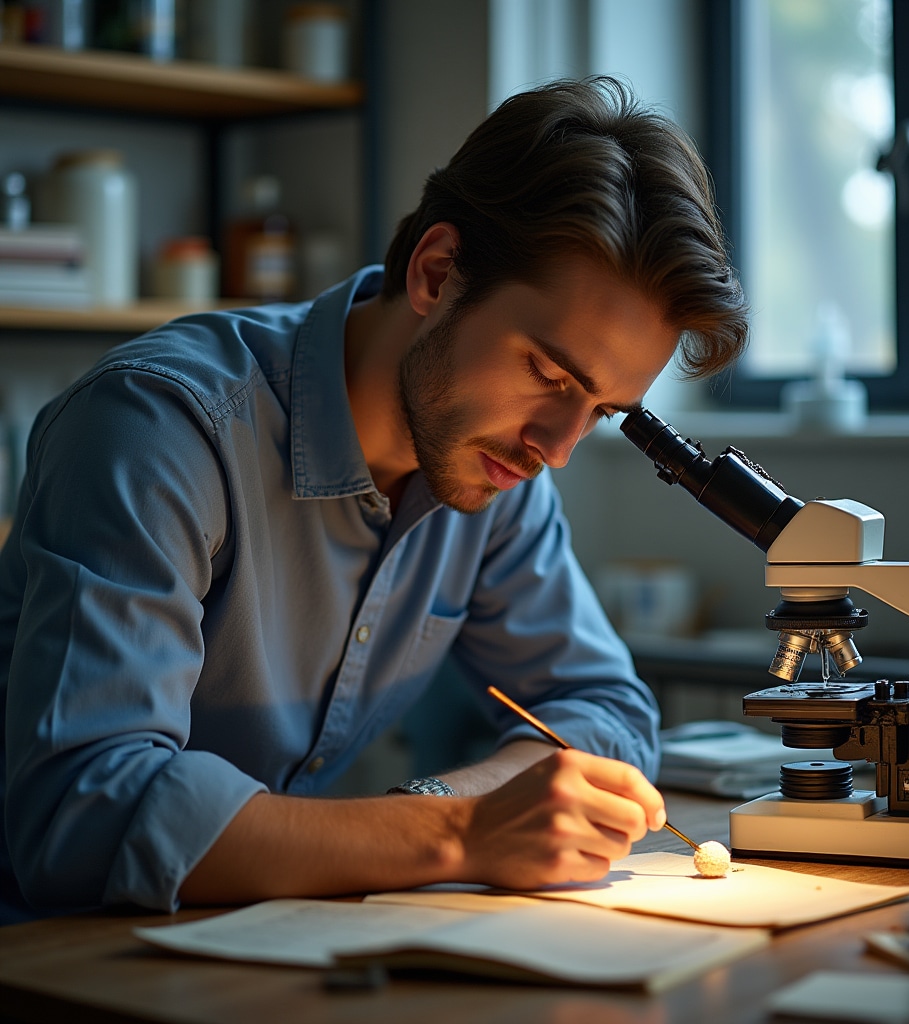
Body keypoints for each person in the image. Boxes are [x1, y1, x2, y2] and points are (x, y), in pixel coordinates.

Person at [0, 76, 747, 924]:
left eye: (602, 411)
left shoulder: (497, 472)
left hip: (247, 941)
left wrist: (446, 804)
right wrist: (458, 832)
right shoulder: (158, 430)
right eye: (548, 373)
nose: (559, 449)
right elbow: (81, 816)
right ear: (436, 272)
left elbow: (607, 710)